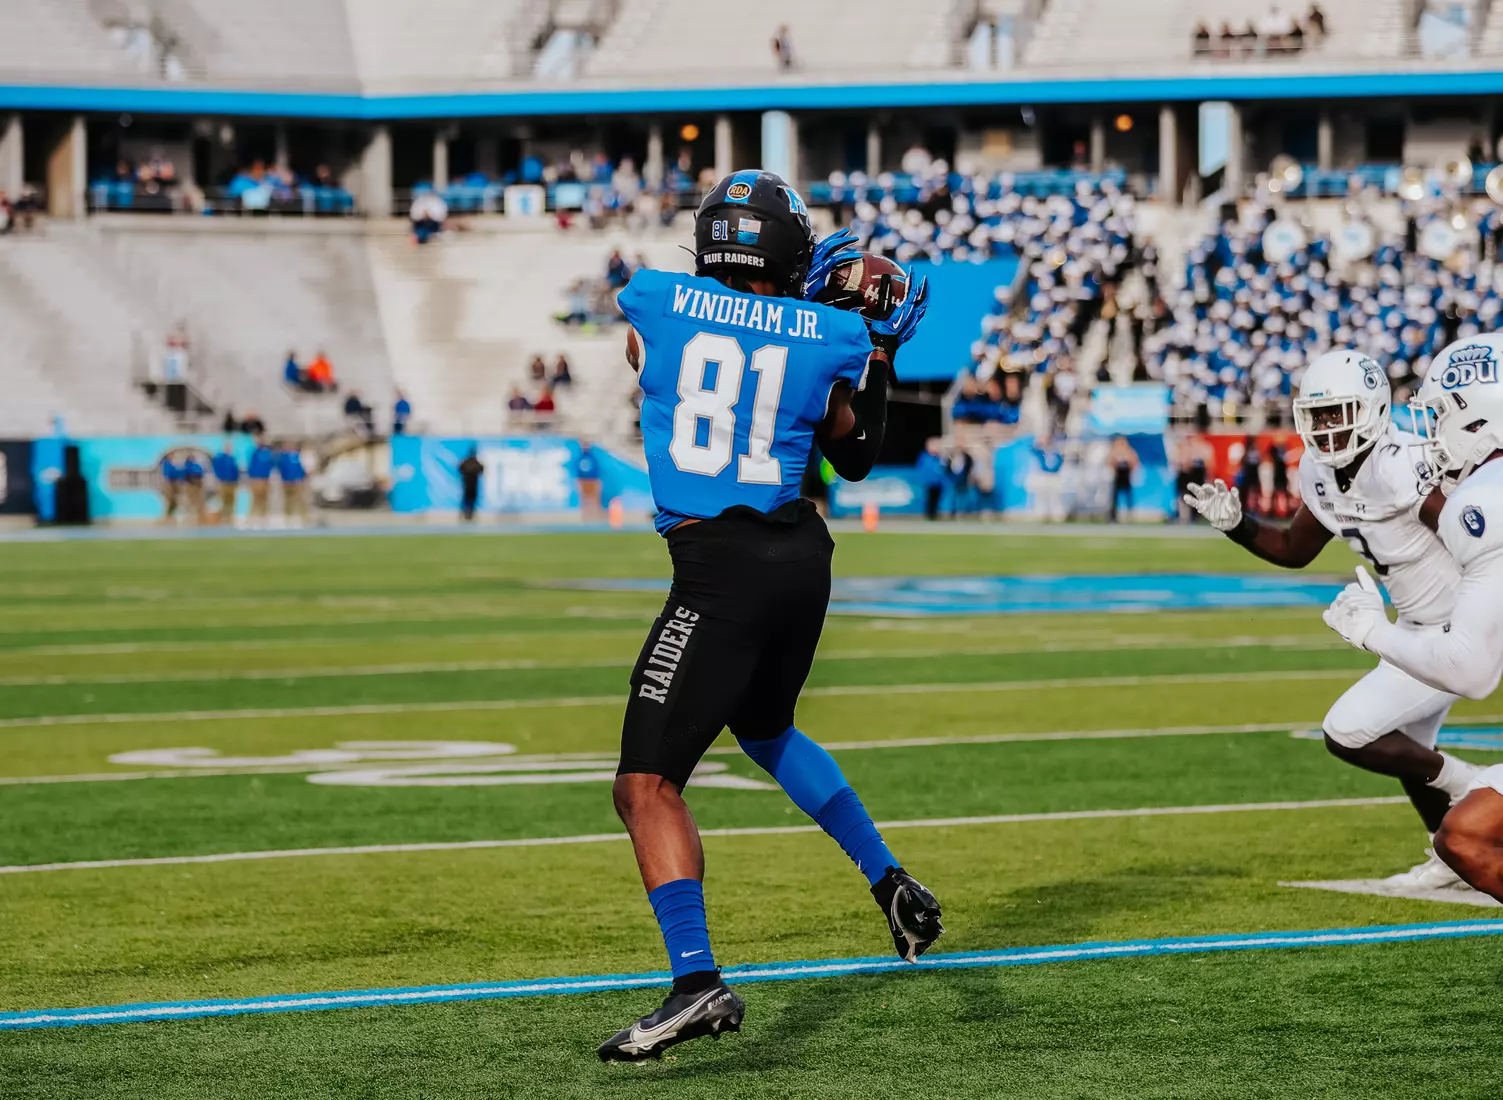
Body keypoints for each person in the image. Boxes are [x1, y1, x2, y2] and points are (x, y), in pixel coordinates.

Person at [596, 172, 940, 1062]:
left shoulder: (653, 302)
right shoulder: (831, 335)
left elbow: (650, 353)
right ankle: (889, 880)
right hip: (799, 558)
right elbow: (855, 453)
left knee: (644, 787)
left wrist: (769, 306)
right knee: (766, 728)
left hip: (719, 569)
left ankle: (694, 983)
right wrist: (876, 348)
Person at [1188, 350, 1477, 890]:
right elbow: (1295, 549)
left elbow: (1473, 535)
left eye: (1336, 414)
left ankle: (1475, 786)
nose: (1324, 428)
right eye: (1316, 416)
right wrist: (1238, 526)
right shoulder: (1319, 471)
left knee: (1347, 731)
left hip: (1458, 630)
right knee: (1407, 748)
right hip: (1414, 627)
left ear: (1372, 410)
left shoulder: (1401, 465)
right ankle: (1457, 855)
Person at [1321, 337, 1503, 901]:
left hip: (1439, 635)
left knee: (1466, 835)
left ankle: (1462, 785)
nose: (1432, 433)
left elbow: (1472, 673)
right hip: (1435, 628)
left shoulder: (1482, 498)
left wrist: (1373, 631)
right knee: (1462, 829)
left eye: (1442, 414)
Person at [916, 438, 949, 521]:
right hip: (929, 482)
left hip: (938, 482)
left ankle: (934, 514)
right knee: (929, 499)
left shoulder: (941, 457)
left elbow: (944, 468)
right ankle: (929, 514)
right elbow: (921, 469)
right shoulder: (924, 456)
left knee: (937, 499)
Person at [1107, 436, 1138, 522]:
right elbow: (1110, 462)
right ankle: (1113, 516)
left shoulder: (1129, 451)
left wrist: (1130, 468)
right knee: (1115, 498)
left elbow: (1134, 462)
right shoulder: (1115, 451)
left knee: (1128, 496)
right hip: (1118, 475)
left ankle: (1129, 515)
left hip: (1126, 475)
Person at [278, 445, 308, 528]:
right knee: (288, 500)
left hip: (298, 481)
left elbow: (304, 468)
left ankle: (303, 517)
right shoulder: (283, 457)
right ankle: (288, 517)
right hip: (287, 481)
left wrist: (302, 478)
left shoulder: (299, 456)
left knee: (300, 499)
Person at [247, 438, 275, 527]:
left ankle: (263, 516)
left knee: (263, 499)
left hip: (264, 479)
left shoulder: (267, 453)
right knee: (256, 499)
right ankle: (255, 516)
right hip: (257, 479)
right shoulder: (255, 453)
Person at [212, 443, 240, 526]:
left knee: (231, 500)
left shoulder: (232, 459)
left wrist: (236, 480)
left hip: (232, 482)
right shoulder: (220, 458)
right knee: (223, 499)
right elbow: (217, 468)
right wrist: (219, 478)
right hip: (223, 481)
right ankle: (223, 516)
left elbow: (235, 470)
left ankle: (230, 516)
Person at [576, 441, 602, 519]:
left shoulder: (592, 457)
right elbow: (577, 470)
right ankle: (585, 515)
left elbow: (596, 469)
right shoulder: (580, 457)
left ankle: (595, 515)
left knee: (594, 499)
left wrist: (597, 481)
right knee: (584, 499)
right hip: (583, 481)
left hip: (592, 480)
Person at [181, 452, 206, 525]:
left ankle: (199, 515)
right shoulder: (187, 466)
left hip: (198, 484)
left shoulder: (197, 465)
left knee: (198, 499)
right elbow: (185, 475)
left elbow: (201, 473)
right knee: (191, 499)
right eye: (191, 457)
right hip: (191, 484)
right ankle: (191, 515)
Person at [459, 449, 483, 520]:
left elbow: (460, 469)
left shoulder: (466, 462)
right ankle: (469, 514)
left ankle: (466, 514)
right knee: (471, 500)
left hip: (467, 484)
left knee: (467, 500)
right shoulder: (476, 463)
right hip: (472, 485)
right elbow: (481, 469)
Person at [159, 454, 183, 524]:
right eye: (171, 455)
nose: (172, 456)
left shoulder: (169, 464)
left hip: (172, 483)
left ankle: (169, 516)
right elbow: (170, 473)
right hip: (169, 483)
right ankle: (167, 517)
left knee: (173, 502)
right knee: (169, 501)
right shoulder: (167, 464)